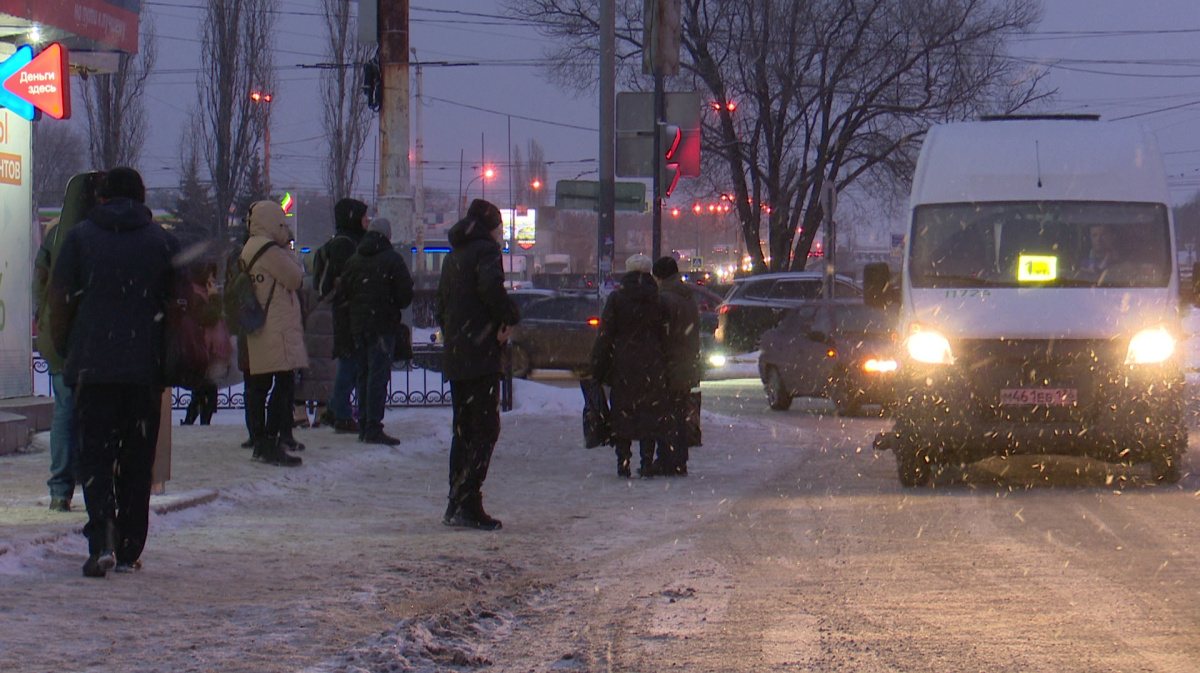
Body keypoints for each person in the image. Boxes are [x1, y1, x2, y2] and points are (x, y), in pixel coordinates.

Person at [48, 167, 178, 577]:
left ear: (102, 197)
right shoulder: (161, 241)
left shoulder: (79, 238)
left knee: (97, 458)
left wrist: (71, 350)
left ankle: (100, 536)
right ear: (141, 198)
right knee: (137, 461)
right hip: (143, 371)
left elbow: (60, 302)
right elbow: (179, 308)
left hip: (93, 368)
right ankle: (128, 547)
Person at [435, 198, 520, 530]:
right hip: (481, 354)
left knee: (464, 429)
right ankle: (468, 500)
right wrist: (507, 317)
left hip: (458, 353)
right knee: (485, 429)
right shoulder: (486, 251)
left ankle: (455, 500)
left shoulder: (454, 254)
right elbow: (491, 290)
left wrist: (458, 334)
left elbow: (441, 305)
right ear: (491, 226)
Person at [33, 171, 103, 513]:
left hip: (56, 332)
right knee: (91, 412)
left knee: (64, 410)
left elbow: (40, 279)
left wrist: (42, 314)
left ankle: (60, 490)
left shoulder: (56, 234)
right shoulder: (98, 235)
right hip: (87, 336)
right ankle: (90, 480)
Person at [240, 200, 308, 467]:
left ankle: (260, 441)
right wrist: (289, 249)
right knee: (283, 384)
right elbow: (295, 278)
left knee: (258, 387)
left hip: (259, 326)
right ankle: (269, 441)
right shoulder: (270, 250)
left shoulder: (249, 247)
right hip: (275, 328)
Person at [336, 217, 415, 445]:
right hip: (383, 327)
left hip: (359, 327)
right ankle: (373, 426)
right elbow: (404, 296)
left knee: (363, 374)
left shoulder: (355, 259)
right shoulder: (392, 260)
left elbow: (343, 295)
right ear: (387, 235)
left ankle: (363, 424)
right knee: (378, 377)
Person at [590, 254, 669, 478]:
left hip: (623, 363)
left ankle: (623, 462)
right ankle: (646, 463)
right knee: (649, 414)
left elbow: (605, 335)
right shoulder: (658, 300)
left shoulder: (617, 299)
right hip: (652, 364)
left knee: (622, 413)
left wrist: (598, 363)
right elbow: (665, 335)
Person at [312, 198, 370, 434]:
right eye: (364, 218)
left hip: (347, 311)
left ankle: (336, 409)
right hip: (348, 312)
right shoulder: (346, 245)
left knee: (351, 362)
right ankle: (341, 413)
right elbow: (348, 280)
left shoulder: (343, 242)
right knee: (350, 362)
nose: (367, 222)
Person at [652, 256, 702, 476]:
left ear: (660, 276)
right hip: (686, 363)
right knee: (680, 413)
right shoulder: (687, 296)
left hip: (669, 364)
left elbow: (661, 335)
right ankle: (680, 460)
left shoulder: (664, 299)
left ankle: (666, 459)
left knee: (666, 414)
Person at [181, 261, 224, 426]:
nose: (213, 279)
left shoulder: (198, 293)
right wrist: (214, 297)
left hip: (203, 348)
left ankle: (195, 420)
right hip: (200, 348)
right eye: (210, 275)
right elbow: (210, 317)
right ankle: (195, 421)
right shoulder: (197, 295)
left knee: (204, 388)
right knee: (204, 388)